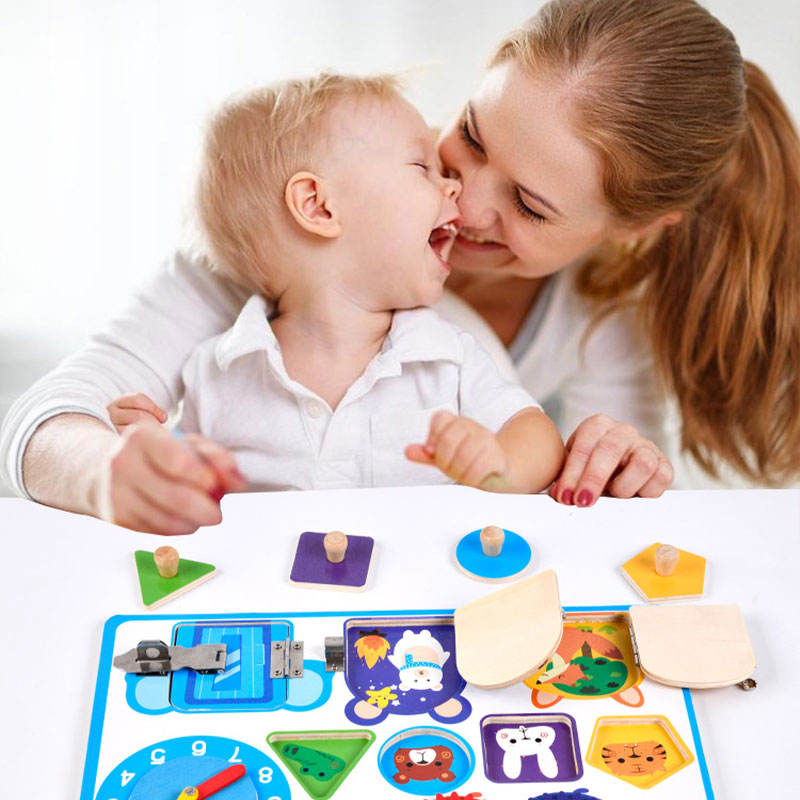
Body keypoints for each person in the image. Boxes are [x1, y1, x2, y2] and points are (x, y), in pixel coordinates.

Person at [3, 0, 798, 534]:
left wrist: (613, 476)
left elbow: (586, 530)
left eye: (529, 206)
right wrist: (111, 471)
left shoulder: (603, 318)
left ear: (632, 230)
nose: (464, 199)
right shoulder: (280, 235)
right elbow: (45, 420)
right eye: (472, 136)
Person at [106, 73, 564, 500]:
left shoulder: (448, 357)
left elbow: (538, 435)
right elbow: (196, 499)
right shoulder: (217, 373)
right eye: (422, 167)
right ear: (318, 206)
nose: (453, 188)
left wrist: (500, 463)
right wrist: (155, 457)